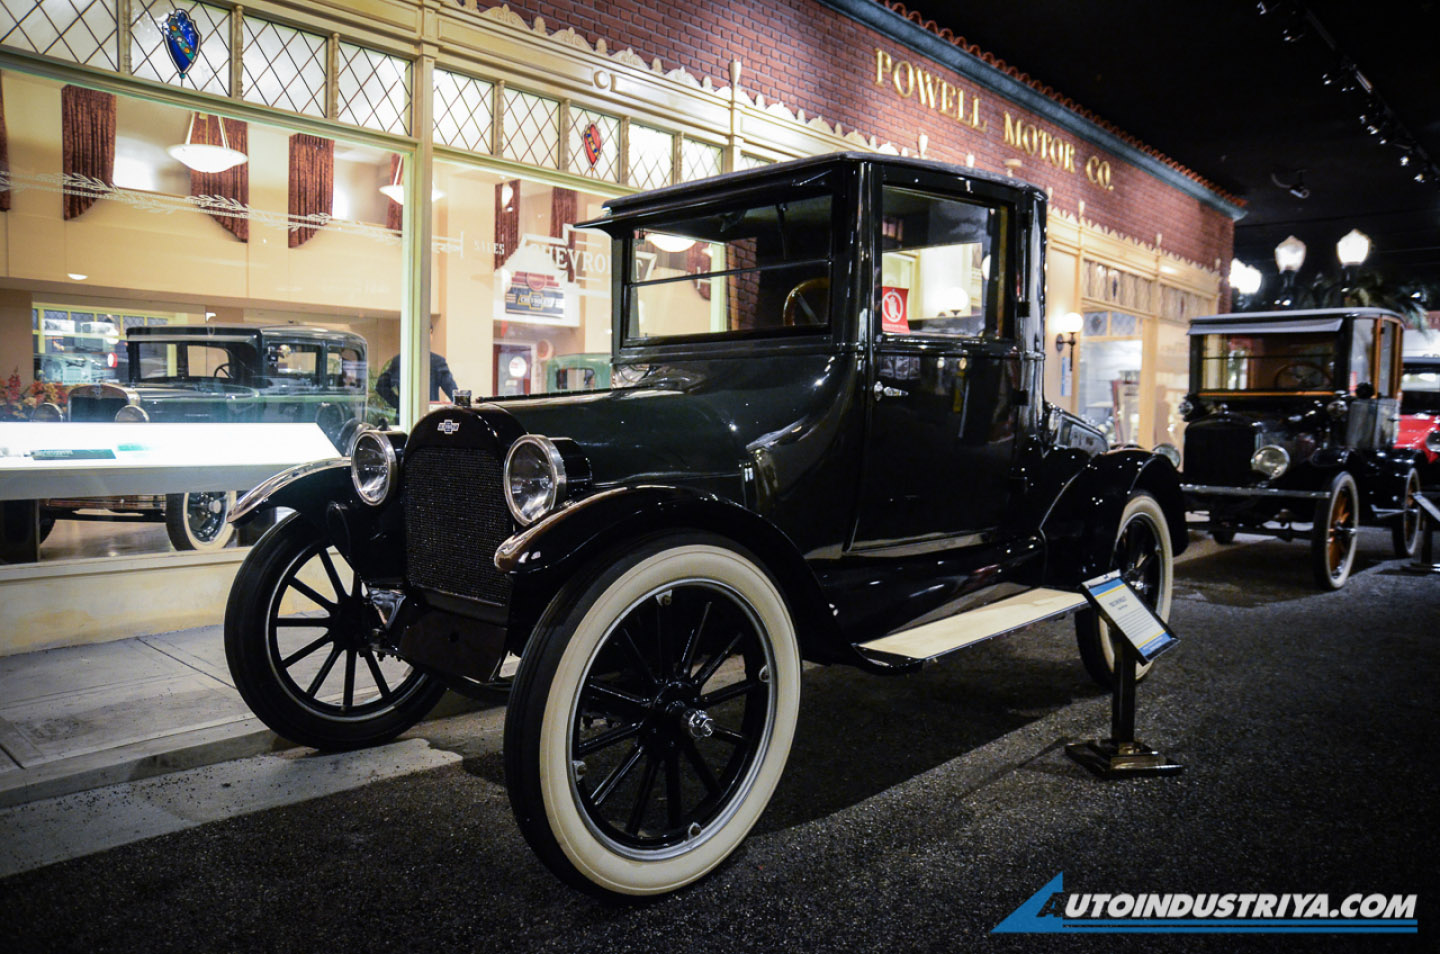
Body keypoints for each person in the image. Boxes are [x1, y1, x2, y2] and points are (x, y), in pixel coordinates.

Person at [375, 351, 459, 409]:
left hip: (405, 418)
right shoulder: (437, 361)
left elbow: (381, 385)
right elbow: (452, 390)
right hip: (428, 417)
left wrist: (398, 404)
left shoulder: (399, 360)